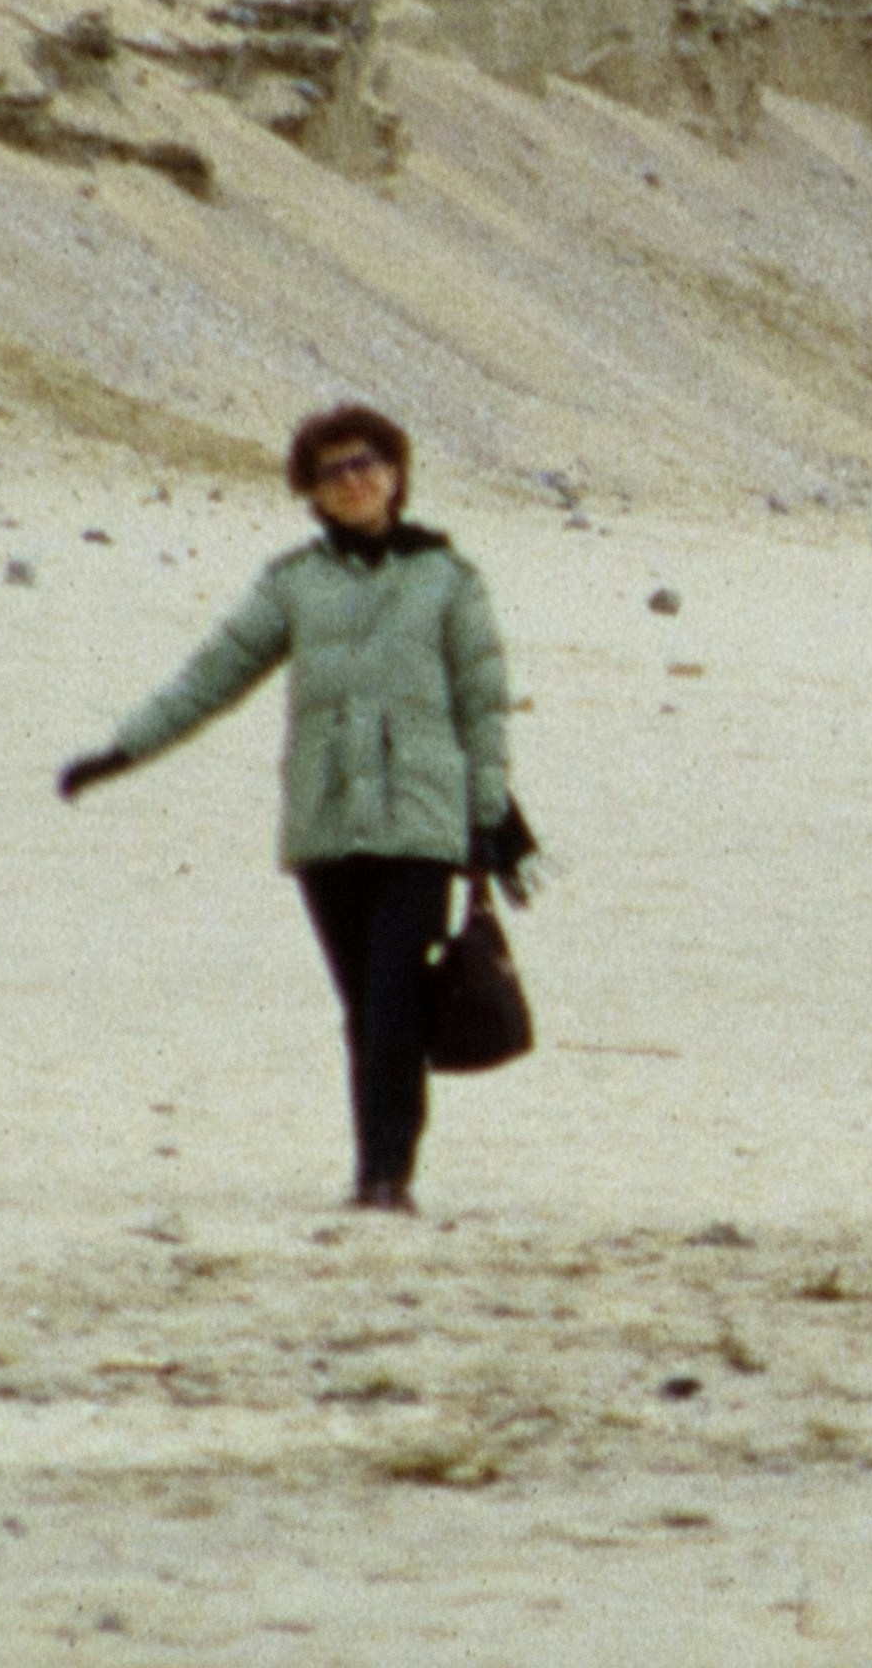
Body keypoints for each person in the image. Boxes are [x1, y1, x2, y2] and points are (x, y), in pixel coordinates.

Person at [60, 407, 533, 1214]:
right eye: (333, 471)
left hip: (421, 825)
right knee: (364, 1006)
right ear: (311, 491)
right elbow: (213, 675)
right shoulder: (294, 586)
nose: (354, 479)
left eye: (367, 462)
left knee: (392, 999)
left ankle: (386, 1176)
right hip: (326, 826)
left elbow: (483, 708)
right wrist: (123, 751)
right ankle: (378, 1165)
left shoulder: (449, 582)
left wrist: (486, 818)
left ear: (396, 471)